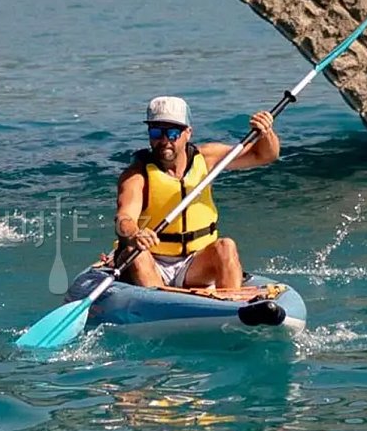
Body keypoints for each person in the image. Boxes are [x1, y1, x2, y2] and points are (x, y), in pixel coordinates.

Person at [114, 96, 279, 290]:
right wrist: (136, 233)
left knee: (226, 246)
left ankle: (231, 305)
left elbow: (265, 155)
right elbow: (124, 218)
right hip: (153, 262)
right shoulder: (137, 175)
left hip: (194, 264)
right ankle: (163, 303)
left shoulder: (207, 158)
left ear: (188, 133)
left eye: (173, 133)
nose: (165, 140)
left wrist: (266, 133)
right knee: (136, 252)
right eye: (157, 132)